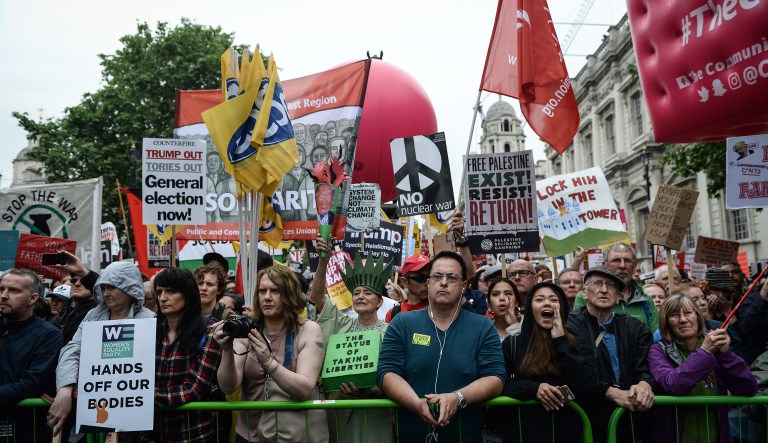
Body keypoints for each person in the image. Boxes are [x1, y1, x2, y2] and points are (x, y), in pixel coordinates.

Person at [377, 251, 505, 443]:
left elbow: (495, 377)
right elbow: (387, 373)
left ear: (463, 287)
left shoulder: (482, 326)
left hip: (465, 437)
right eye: (437, 276)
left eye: (452, 277)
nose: (444, 282)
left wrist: (458, 398)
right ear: (428, 282)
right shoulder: (402, 323)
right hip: (412, 436)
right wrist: (416, 404)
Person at [214, 266, 327, 443]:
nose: (267, 297)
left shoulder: (307, 330)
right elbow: (228, 387)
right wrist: (227, 350)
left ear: (289, 294)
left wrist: (269, 362)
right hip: (249, 434)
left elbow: (304, 389)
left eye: (275, 291)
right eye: (262, 291)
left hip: (290, 435)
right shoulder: (246, 330)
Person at [48, 260, 156, 437]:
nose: (106, 293)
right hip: (93, 410)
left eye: (112, 287)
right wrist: (65, 389)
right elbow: (73, 350)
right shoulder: (94, 315)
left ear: (130, 288)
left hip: (131, 418)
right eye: (103, 288)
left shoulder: (149, 320)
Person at [310, 238, 393, 443]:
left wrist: (371, 390)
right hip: (340, 408)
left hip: (375, 411)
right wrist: (323, 261)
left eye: (368, 293)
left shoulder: (391, 332)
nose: (360, 296)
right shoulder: (342, 324)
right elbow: (318, 296)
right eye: (356, 293)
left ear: (379, 301)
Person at [647, 294, 757, 442]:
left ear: (698, 317)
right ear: (666, 322)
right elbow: (673, 384)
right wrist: (705, 352)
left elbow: (748, 388)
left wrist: (726, 354)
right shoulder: (658, 350)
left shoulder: (716, 347)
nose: (683, 320)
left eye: (687, 313)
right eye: (674, 315)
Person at [566, 265, 655, 443]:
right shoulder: (570, 325)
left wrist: (645, 383)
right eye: (597, 283)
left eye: (611, 285)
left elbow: (646, 364)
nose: (604, 290)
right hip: (586, 422)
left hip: (629, 422)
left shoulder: (635, 327)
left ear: (619, 296)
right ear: (584, 292)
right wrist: (612, 393)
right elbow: (576, 370)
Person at [500, 282, 595, 442]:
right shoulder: (513, 344)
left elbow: (588, 385)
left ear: (562, 307)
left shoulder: (578, 343)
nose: (547, 303)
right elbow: (501, 384)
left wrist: (561, 342)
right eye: (539, 299)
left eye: (554, 300)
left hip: (567, 433)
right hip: (524, 433)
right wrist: (534, 388)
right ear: (530, 309)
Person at [137, 268, 223, 442]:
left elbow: (193, 389)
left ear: (188, 294)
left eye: (171, 291)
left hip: (191, 434)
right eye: (159, 291)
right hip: (149, 435)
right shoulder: (147, 329)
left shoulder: (210, 331)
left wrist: (137, 397)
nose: (162, 297)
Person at [0, 269, 64, 442]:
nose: (4, 295)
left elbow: (32, 383)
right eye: (1, 289)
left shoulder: (48, 335)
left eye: (14, 290)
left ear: (33, 298)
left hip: (25, 428)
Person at [573, 242, 659, 335]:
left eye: (627, 260)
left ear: (634, 266)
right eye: (616, 260)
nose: (622, 265)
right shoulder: (586, 296)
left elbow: (657, 339)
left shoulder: (646, 300)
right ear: (604, 265)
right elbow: (579, 335)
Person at [49, 270, 98, 345]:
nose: (77, 284)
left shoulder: (97, 311)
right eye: (74, 280)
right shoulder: (59, 315)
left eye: (83, 281)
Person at [385, 254, 430, 322]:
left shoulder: (441, 309)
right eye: (421, 278)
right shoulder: (393, 314)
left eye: (431, 278)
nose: (427, 283)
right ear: (405, 282)